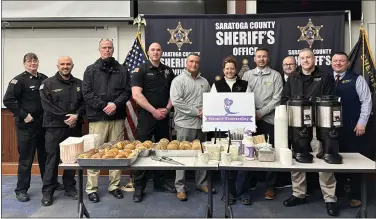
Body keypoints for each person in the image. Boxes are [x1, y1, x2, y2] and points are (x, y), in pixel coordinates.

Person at [281, 48, 339, 216]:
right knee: (297, 160)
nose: (305, 60)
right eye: (302, 58)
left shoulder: (325, 77)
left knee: (324, 161)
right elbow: (284, 99)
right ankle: (298, 194)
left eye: (308, 57)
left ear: (314, 59)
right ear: (299, 61)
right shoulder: (293, 77)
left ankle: (329, 198)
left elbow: (330, 100)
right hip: (297, 127)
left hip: (317, 126)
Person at [82, 39, 131, 203]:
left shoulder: (122, 70)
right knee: (94, 153)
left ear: (113, 49)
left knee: (116, 154)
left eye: (110, 47)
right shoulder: (90, 70)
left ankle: (114, 186)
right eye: (104, 47)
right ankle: (92, 188)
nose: (107, 50)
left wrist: (115, 104)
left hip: (117, 118)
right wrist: (104, 106)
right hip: (98, 119)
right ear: (99, 50)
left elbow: (127, 91)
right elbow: (87, 93)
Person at [131, 42, 176, 203]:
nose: (156, 52)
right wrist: (154, 111)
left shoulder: (168, 70)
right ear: (148, 52)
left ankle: (160, 182)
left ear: (161, 52)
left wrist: (167, 108)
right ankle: (139, 187)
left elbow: (174, 93)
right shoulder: (140, 70)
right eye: (153, 50)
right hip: (147, 116)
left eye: (158, 49)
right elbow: (136, 95)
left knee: (162, 150)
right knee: (142, 151)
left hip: (163, 116)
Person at [3, 53, 51, 202]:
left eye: (35, 60)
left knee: (45, 157)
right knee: (26, 159)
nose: (32, 63)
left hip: (43, 125)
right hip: (27, 126)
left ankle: (49, 185)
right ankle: (21, 189)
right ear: (24, 63)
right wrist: (24, 115)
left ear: (38, 62)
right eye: (29, 61)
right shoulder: (18, 80)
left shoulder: (44, 78)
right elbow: (8, 100)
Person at [39, 56, 85, 206]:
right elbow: (47, 106)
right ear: (57, 66)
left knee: (72, 159)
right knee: (52, 160)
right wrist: (66, 118)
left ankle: (70, 187)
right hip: (54, 128)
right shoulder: (47, 83)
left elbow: (84, 103)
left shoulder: (79, 83)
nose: (65, 66)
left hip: (74, 127)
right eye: (62, 64)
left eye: (68, 64)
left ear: (72, 66)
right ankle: (47, 192)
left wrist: (76, 116)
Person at [331, 52, 372, 208]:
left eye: (342, 61)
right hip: (332, 129)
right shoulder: (327, 79)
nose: (338, 63)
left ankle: (355, 194)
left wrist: (362, 122)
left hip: (353, 127)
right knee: (335, 159)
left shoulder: (357, 79)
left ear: (347, 63)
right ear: (331, 63)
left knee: (354, 161)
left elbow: (367, 102)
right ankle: (339, 191)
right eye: (335, 61)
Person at [242, 48, 283, 200]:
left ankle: (270, 186)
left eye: (264, 56)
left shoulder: (275, 76)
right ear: (254, 59)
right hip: (250, 120)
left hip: (269, 120)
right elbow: (243, 94)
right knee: (249, 150)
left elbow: (277, 98)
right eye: (258, 56)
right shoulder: (247, 75)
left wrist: (261, 112)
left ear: (268, 58)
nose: (261, 59)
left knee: (269, 151)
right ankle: (250, 183)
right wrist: (252, 113)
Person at [170, 52, 212, 201]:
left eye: (196, 62)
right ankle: (180, 187)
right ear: (186, 63)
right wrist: (196, 112)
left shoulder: (204, 82)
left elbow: (209, 100)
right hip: (184, 124)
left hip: (201, 124)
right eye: (191, 62)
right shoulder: (178, 81)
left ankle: (201, 183)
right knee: (181, 156)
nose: (194, 64)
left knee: (202, 155)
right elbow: (176, 101)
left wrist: (205, 111)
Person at [211, 56, 251, 205]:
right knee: (226, 160)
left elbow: (248, 105)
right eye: (227, 68)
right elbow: (213, 106)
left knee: (243, 161)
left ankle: (244, 192)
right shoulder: (216, 85)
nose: (229, 71)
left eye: (232, 68)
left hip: (242, 129)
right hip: (223, 129)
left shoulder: (245, 85)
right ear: (223, 70)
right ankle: (229, 193)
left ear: (236, 70)